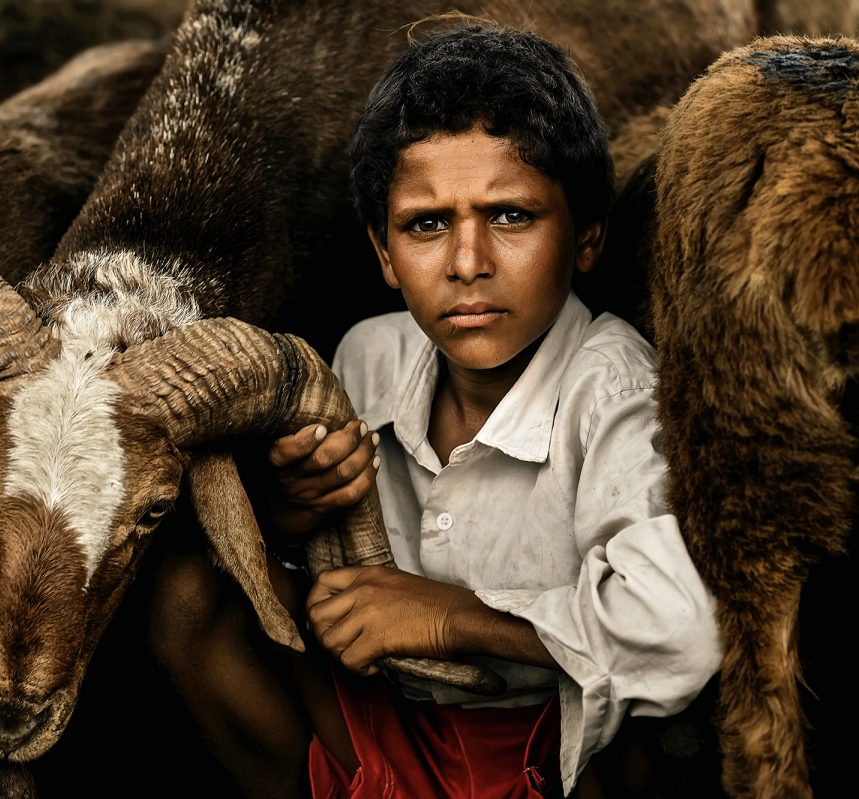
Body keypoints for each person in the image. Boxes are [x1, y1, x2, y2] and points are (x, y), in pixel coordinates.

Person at [149, 23, 720, 799]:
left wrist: (452, 617)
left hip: (550, 747)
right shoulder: (366, 358)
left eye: (511, 215)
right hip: (384, 723)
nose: (467, 262)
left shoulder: (613, 390)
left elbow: (680, 636)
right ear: (384, 253)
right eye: (426, 224)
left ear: (587, 234)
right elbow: (327, 585)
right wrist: (291, 513)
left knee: (659, 737)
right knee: (187, 591)